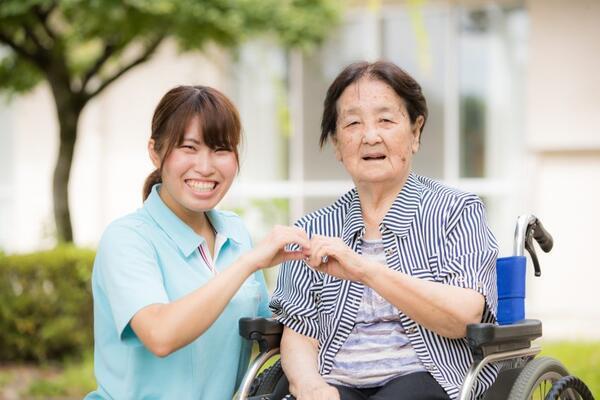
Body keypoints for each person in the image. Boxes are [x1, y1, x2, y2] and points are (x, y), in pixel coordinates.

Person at [270, 61, 499, 400]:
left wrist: (364, 270)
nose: (370, 136)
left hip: (424, 376)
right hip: (336, 382)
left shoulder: (455, 211)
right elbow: (299, 332)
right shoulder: (313, 229)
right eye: (352, 123)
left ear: (415, 131)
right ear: (336, 142)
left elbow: (463, 316)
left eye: (386, 120)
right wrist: (311, 386)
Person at [85, 85, 310, 400]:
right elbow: (160, 334)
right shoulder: (127, 239)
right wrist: (249, 262)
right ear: (155, 152)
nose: (205, 167)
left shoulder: (235, 232)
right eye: (189, 148)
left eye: (220, 149)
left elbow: (271, 330)